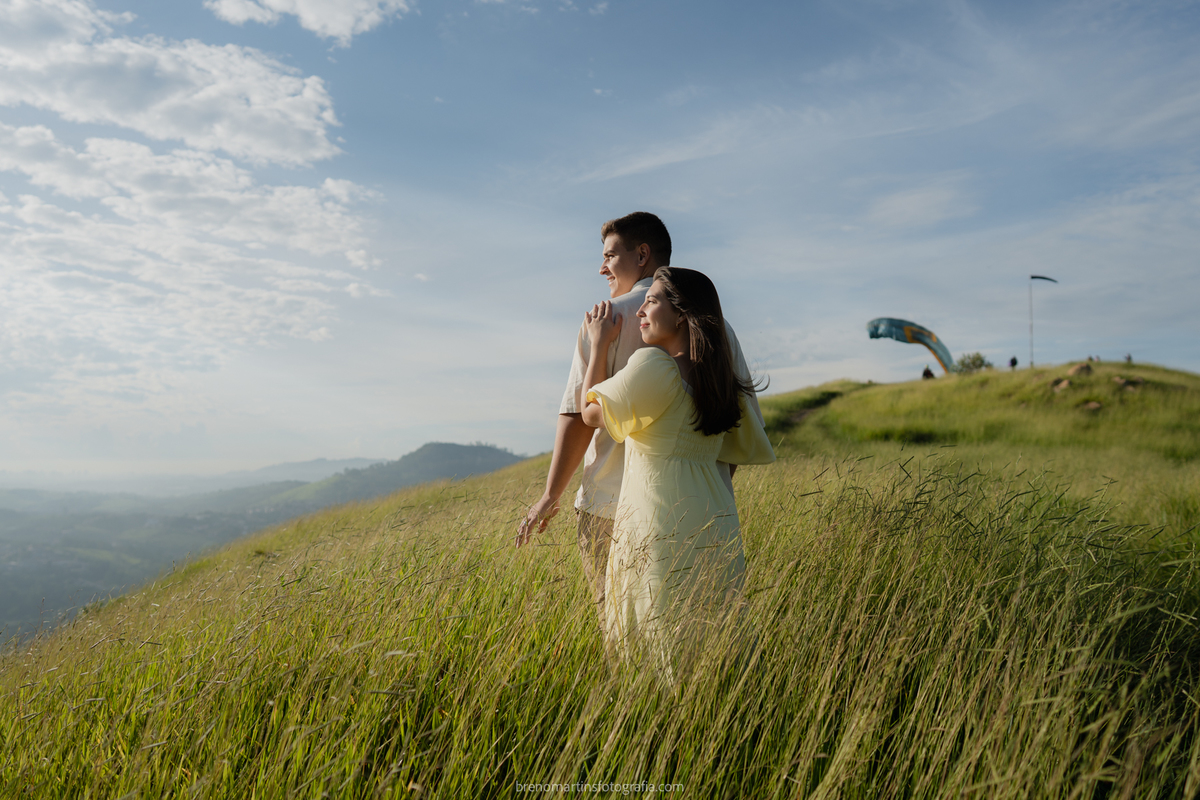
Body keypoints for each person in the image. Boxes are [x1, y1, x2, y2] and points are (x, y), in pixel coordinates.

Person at [516, 213, 763, 639]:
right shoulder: (718, 327)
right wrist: (710, 487)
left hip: (611, 509)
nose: (602, 267)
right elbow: (733, 425)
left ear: (642, 254)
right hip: (701, 513)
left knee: (626, 639)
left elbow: (581, 413)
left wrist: (550, 495)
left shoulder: (605, 317)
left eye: (610, 255)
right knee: (702, 636)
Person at [579, 267, 775, 681]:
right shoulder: (720, 379)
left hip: (658, 526)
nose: (640, 311)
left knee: (657, 641)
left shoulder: (655, 366)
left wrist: (598, 345)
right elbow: (736, 454)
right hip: (716, 522)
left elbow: (590, 412)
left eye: (653, 300)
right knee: (712, 636)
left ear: (682, 313)